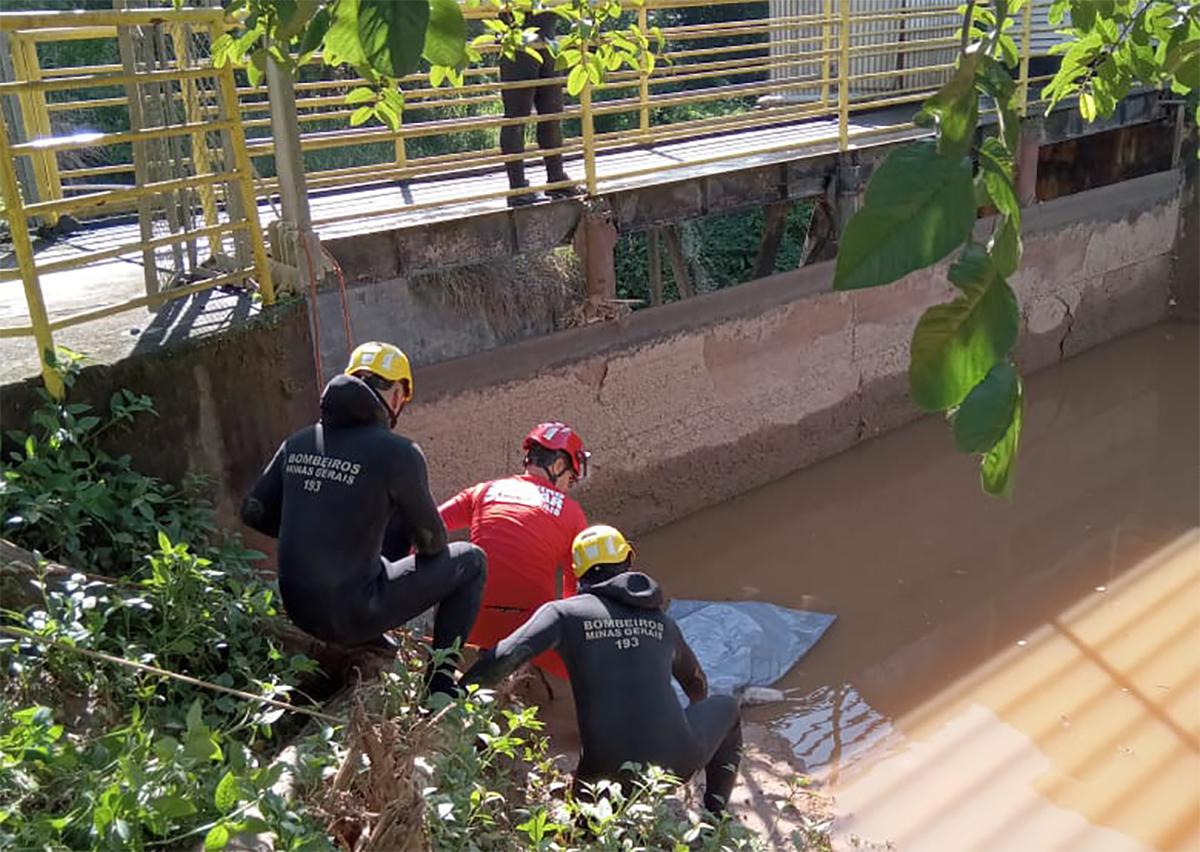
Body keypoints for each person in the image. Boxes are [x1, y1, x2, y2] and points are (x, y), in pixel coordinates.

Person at [240, 341, 487, 697]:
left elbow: (254, 512)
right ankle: (440, 686)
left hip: (299, 608)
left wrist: (316, 531)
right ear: (398, 392)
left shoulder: (299, 441)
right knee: (472, 561)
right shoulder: (399, 453)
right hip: (352, 613)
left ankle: (370, 627)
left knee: (388, 516)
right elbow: (433, 543)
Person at [463, 524, 742, 814]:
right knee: (728, 708)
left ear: (576, 571)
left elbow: (505, 656)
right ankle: (715, 816)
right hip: (676, 764)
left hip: (601, 781)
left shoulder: (563, 614)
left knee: (585, 820)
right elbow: (696, 685)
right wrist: (687, 723)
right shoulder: (663, 624)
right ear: (629, 560)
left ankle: (587, 825)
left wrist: (452, 696)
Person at [439, 422, 590, 682]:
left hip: (468, 627)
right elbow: (573, 595)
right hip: (531, 634)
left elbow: (426, 527)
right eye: (570, 478)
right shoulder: (573, 513)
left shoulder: (483, 491)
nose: (568, 486)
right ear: (557, 467)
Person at [498, 9, 585, 206]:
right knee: (516, 118)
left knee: (552, 114)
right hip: (519, 45)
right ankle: (518, 187)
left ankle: (556, 177)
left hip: (549, 43)